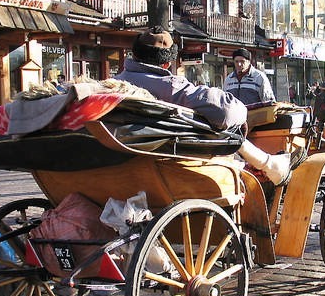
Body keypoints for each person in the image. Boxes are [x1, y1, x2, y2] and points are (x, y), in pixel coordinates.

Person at [115, 26, 302, 185]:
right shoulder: (172, 87)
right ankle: (267, 164)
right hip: (169, 161)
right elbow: (230, 111)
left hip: (122, 163)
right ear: (166, 64)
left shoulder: (115, 83)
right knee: (224, 126)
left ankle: (264, 163)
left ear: (136, 54)